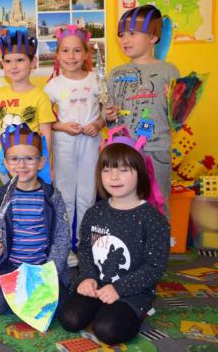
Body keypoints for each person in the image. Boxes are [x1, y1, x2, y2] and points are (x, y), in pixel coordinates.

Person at [57, 136, 170, 345]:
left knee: (107, 330)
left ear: (140, 172)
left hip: (132, 290)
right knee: (69, 319)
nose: (114, 177)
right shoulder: (94, 212)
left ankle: (139, 311)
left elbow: (154, 267)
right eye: (107, 170)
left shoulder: (153, 220)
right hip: (97, 284)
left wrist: (119, 289)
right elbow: (86, 249)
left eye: (124, 170)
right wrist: (88, 277)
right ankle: (102, 306)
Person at [0, 124, 70, 314]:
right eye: (14, 159)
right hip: (10, 266)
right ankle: (24, 298)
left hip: (43, 266)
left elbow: (62, 237)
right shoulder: (0, 197)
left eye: (29, 159)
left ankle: (27, 297)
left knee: (62, 307)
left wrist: (49, 271)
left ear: (41, 162)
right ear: (6, 163)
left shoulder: (51, 196)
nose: (21, 165)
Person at [105, 4, 179, 215]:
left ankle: (158, 238)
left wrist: (174, 101)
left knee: (157, 203)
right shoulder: (116, 73)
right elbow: (107, 111)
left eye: (132, 34)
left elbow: (178, 118)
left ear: (153, 37)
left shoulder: (168, 71)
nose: (125, 40)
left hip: (156, 149)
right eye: (121, 35)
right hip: (123, 151)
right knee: (125, 204)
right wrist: (107, 115)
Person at [44, 25, 104, 265]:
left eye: (77, 50)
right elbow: (44, 119)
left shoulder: (96, 79)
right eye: (65, 50)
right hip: (65, 144)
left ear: (86, 53)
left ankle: (85, 245)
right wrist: (62, 126)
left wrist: (98, 124)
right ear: (58, 55)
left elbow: (107, 112)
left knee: (88, 195)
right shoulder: (53, 85)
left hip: (90, 143)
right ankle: (66, 246)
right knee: (65, 195)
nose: (71, 56)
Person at [0, 27, 55, 172]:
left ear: (33, 62)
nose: (13, 66)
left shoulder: (41, 97)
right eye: (8, 61)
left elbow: (46, 135)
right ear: (2, 64)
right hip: (1, 166)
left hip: (28, 167)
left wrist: (45, 165)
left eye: (20, 60)